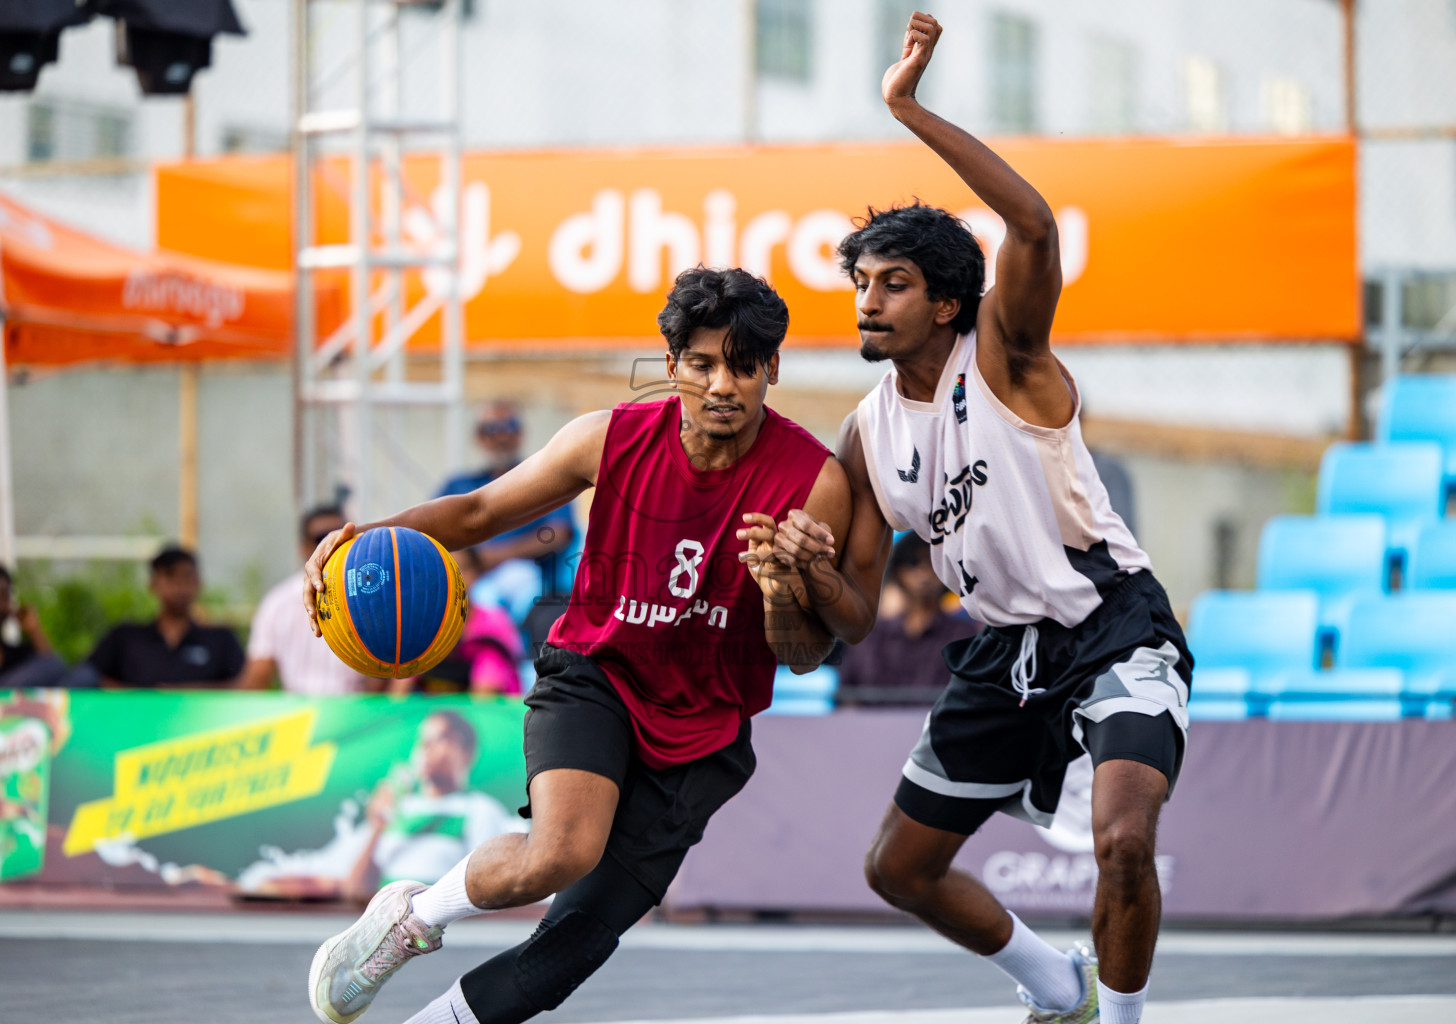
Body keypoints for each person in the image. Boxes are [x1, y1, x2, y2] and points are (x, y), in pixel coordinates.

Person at [756, 15, 1191, 1024]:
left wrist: (906, 110)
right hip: (1003, 650)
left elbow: (1033, 225)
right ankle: (1055, 986)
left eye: (893, 284)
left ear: (950, 303)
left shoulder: (1002, 354)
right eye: (860, 283)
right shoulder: (865, 438)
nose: (868, 300)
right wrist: (797, 571)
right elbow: (847, 624)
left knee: (1125, 842)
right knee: (898, 868)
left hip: (1110, 621)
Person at [300, 266, 848, 1024]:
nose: (723, 384)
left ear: (772, 371)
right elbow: (481, 509)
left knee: (569, 952)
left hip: (704, 730)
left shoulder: (812, 480)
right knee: (559, 851)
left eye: (744, 366)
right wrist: (358, 542)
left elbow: (805, 654)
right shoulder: (609, 438)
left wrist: (786, 587)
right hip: (599, 674)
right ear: (671, 367)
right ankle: (414, 919)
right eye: (702, 364)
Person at [236, 710, 526, 900]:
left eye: (440, 740)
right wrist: (377, 825)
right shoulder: (398, 809)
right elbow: (355, 889)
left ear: (466, 752)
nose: (426, 749)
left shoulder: (479, 810)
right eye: (422, 741)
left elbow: (489, 890)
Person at [437, 400, 578, 615]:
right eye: (491, 429)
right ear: (479, 437)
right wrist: (470, 565)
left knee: (519, 582)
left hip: (523, 577)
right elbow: (435, 535)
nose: (501, 436)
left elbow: (559, 533)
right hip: (467, 575)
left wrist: (496, 556)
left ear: (521, 433)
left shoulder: (546, 481)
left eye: (509, 426)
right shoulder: (458, 485)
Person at [240, 505, 381, 694]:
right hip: (299, 713)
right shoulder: (277, 602)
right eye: (321, 538)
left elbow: (380, 673)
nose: (332, 543)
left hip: (356, 710)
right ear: (304, 547)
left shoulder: (369, 592)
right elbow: (257, 677)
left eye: (343, 536)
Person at [837, 532, 978, 707]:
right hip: (871, 732)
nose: (924, 573)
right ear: (898, 570)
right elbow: (848, 699)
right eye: (913, 562)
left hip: (938, 731)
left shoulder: (964, 635)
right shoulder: (870, 636)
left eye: (933, 563)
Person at [87, 546, 245, 689]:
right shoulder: (125, 639)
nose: (179, 586)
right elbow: (88, 678)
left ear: (198, 582)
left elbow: (245, 685)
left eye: (186, 577)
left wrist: (187, 694)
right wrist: (139, 699)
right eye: (170, 577)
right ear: (153, 584)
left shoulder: (221, 641)